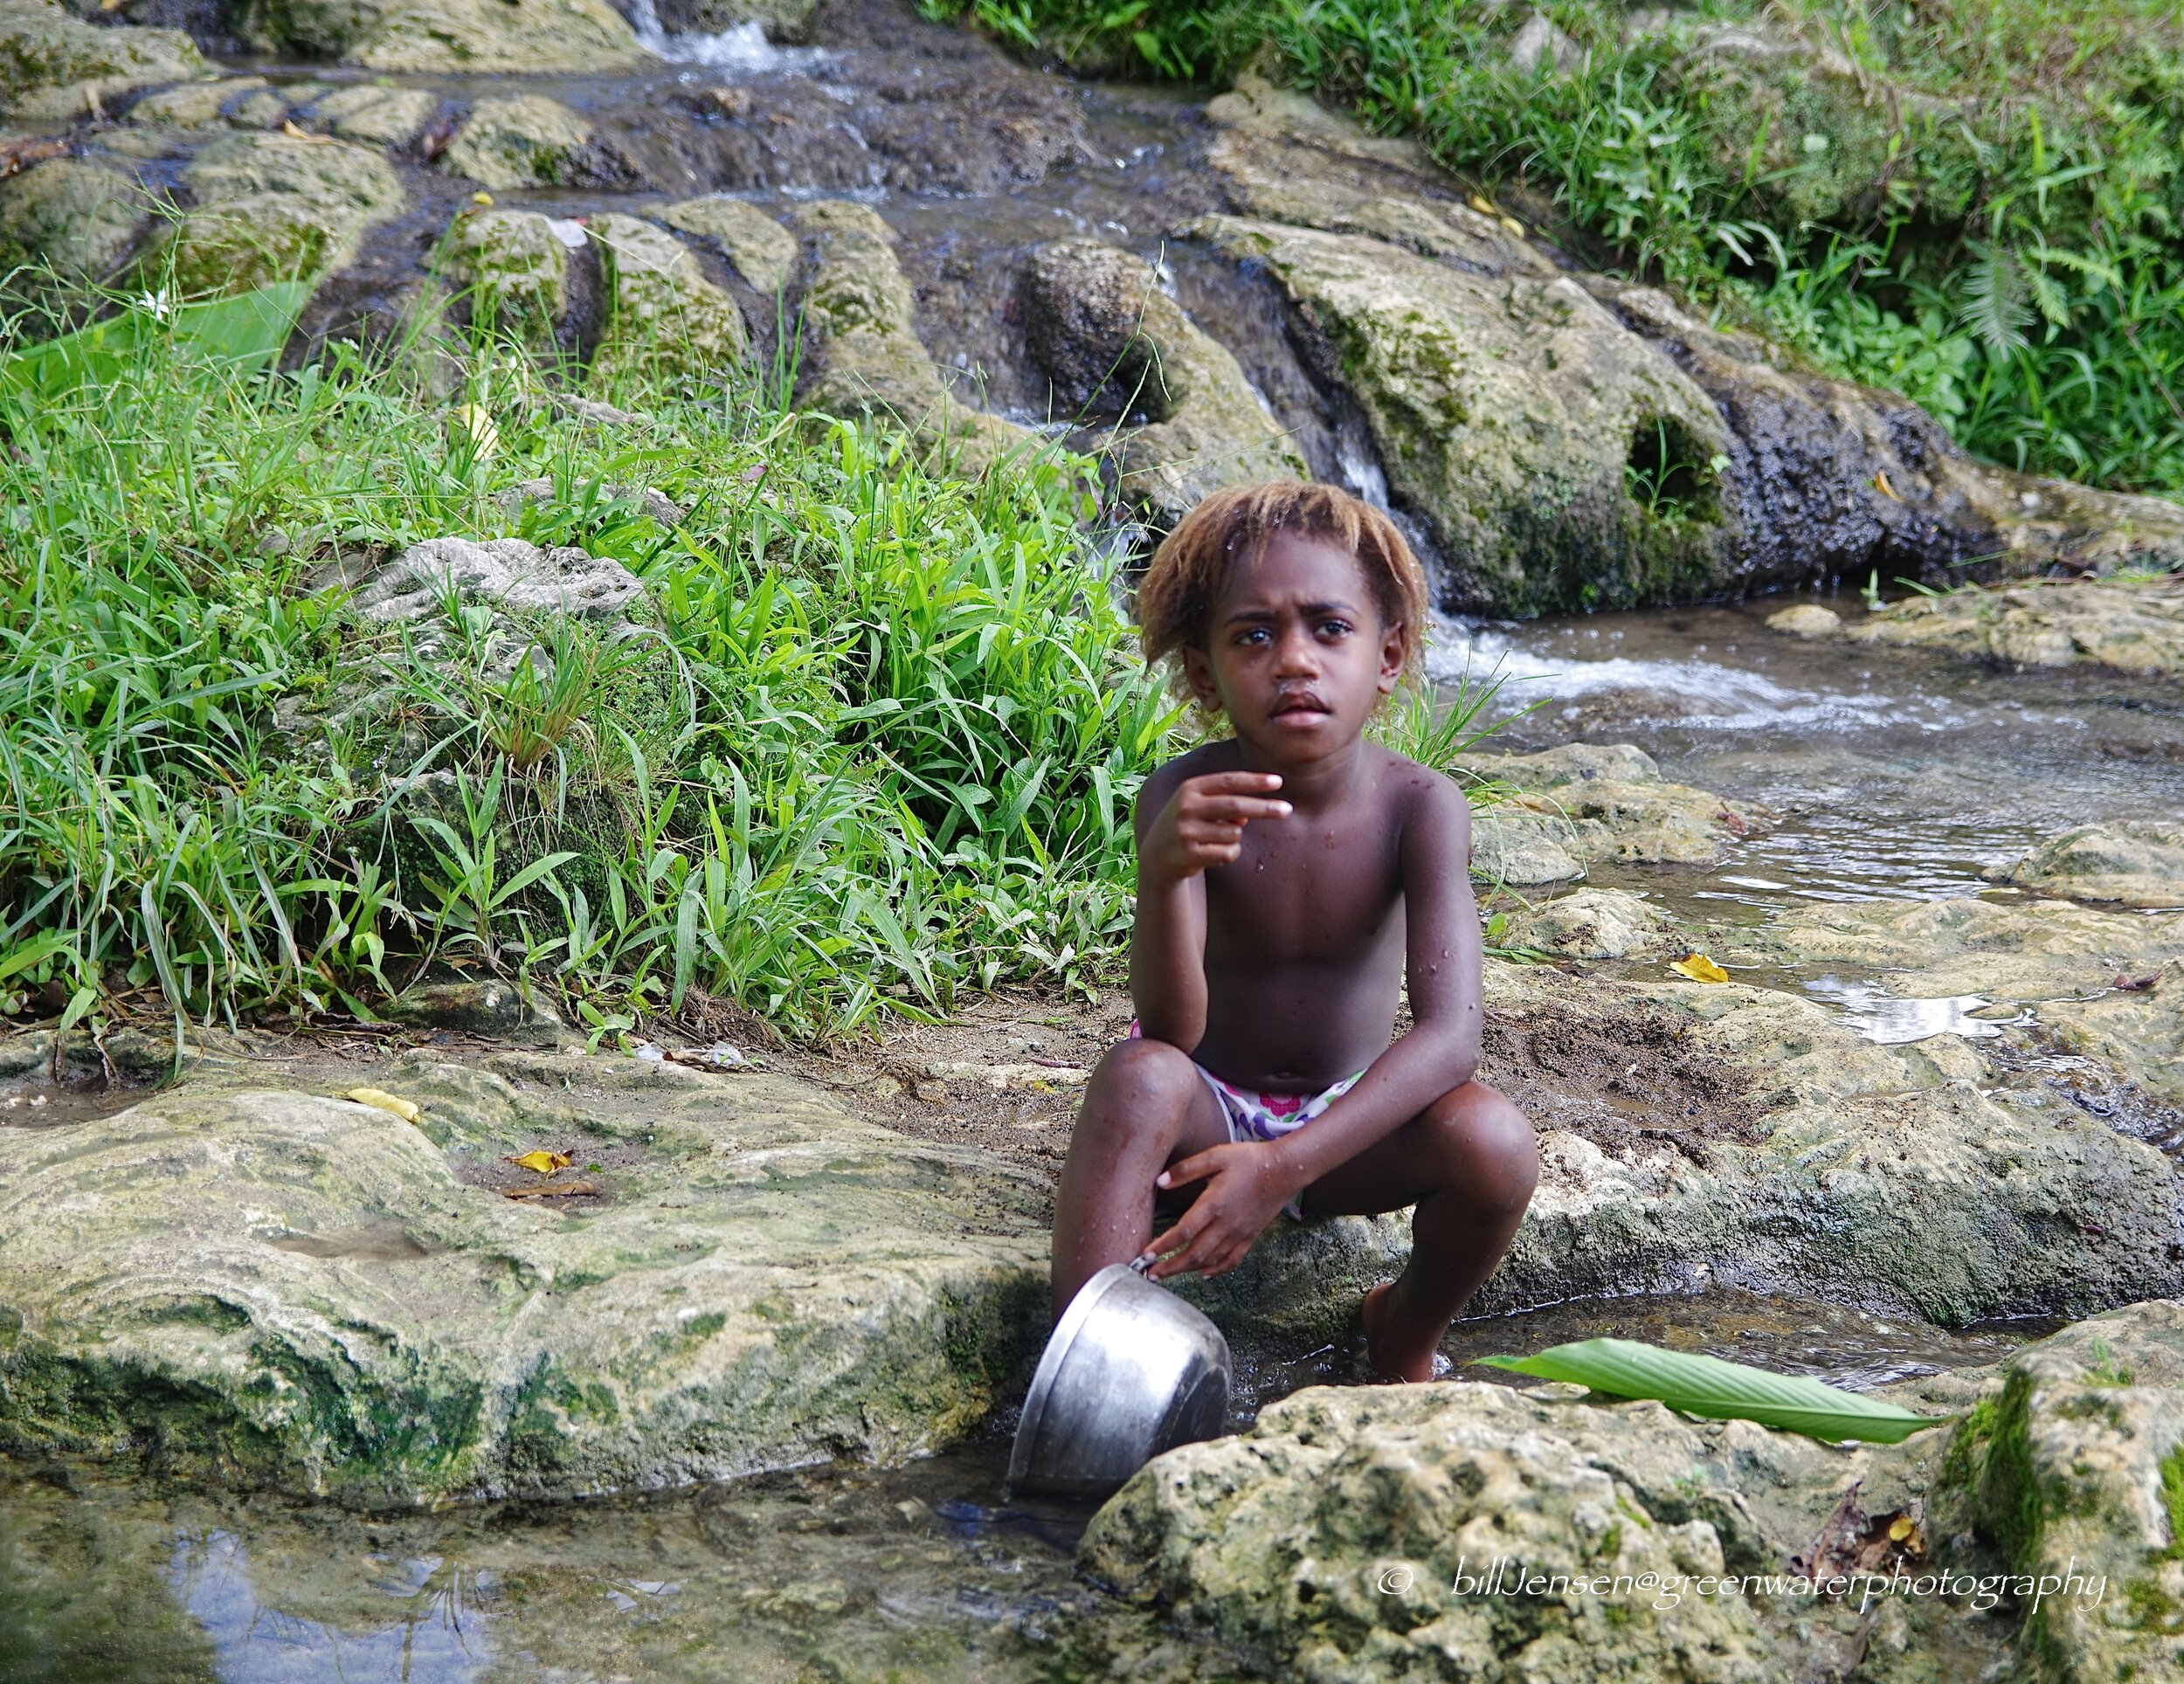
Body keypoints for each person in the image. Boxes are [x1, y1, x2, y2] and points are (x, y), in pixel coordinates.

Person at [1050, 480, 1537, 1383]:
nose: (1294, 661)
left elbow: (1450, 1036)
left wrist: (1281, 1166)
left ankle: (1404, 1333)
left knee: (1495, 1143)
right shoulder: (1182, 799)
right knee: (1137, 1077)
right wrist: (1164, 872)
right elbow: (1171, 1031)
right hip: (1207, 1115)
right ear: (1204, 674)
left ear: (1386, 656)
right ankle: (1085, 1367)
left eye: (1329, 628)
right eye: (1254, 635)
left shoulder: (1419, 808)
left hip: (1348, 1130)